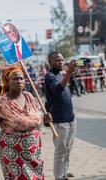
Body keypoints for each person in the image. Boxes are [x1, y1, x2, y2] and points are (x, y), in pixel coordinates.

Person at [44, 52, 77, 180]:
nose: (61, 62)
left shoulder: (60, 75)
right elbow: (57, 90)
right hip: (59, 120)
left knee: (68, 149)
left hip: (70, 119)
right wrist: (69, 73)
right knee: (61, 151)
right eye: (57, 60)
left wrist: (68, 74)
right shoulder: (50, 76)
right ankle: (59, 176)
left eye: (62, 59)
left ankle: (64, 172)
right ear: (50, 62)